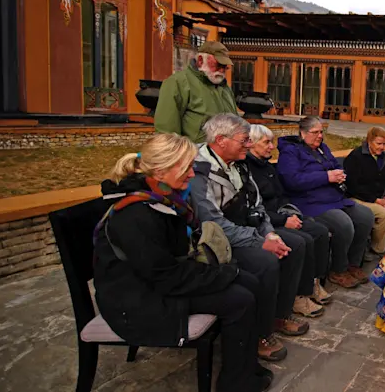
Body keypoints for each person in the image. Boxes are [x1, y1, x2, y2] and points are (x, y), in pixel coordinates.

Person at [92, 133, 273, 392]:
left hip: (158, 279)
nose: (191, 174)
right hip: (137, 299)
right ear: (161, 170)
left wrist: (223, 272)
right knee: (239, 299)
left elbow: (172, 260)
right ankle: (235, 384)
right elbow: (165, 276)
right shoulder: (136, 213)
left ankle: (245, 365)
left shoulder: (162, 197)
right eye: (186, 167)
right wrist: (222, 274)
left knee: (250, 281)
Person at [188, 114, 308, 363]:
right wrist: (260, 241)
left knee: (293, 245)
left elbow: (257, 204)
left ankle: (278, 315)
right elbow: (214, 224)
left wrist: (270, 233)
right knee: (265, 261)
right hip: (220, 241)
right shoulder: (200, 171)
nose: (248, 145)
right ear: (221, 140)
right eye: (243, 140)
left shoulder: (239, 164)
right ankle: (259, 334)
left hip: (247, 228)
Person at [276, 116, 375, 289]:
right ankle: (338, 269)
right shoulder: (290, 152)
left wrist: (339, 174)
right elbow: (292, 180)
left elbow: (335, 165)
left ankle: (353, 263)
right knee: (343, 224)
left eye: (321, 132)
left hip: (333, 198)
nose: (320, 136)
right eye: (315, 132)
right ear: (303, 133)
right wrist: (326, 177)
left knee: (365, 216)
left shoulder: (322, 148)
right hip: (309, 202)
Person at [244, 124, 333, 315]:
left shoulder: (267, 166)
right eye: (266, 142)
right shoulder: (247, 170)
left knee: (319, 231)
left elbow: (281, 195)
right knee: (301, 241)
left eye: (272, 142)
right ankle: (298, 297)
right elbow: (256, 207)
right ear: (251, 144)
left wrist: (290, 214)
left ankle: (313, 282)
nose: (271, 147)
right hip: (267, 222)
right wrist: (282, 221)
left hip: (282, 214)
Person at [154, 41, 238, 143]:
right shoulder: (178, 83)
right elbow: (166, 132)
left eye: (225, 67)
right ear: (200, 60)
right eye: (218, 65)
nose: (221, 70)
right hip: (195, 151)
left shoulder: (225, 87)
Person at [343, 126, 385, 257]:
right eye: (379, 144)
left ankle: (372, 241)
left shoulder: (383, 157)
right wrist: (375, 200)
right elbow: (352, 186)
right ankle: (378, 251)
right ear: (369, 141)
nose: (382, 147)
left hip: (378, 198)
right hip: (357, 197)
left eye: (384, 144)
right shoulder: (356, 157)